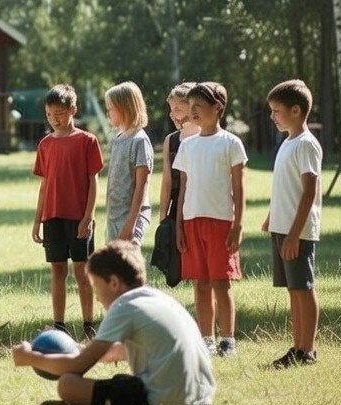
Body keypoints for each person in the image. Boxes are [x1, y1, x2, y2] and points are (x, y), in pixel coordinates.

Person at [12, 241, 215, 405]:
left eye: (96, 287)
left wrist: (30, 358)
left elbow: (78, 366)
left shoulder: (125, 305)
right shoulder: (159, 299)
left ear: (114, 283)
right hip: (201, 404)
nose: (97, 297)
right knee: (121, 381)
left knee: (68, 385)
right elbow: (114, 352)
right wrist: (76, 347)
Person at [173, 82, 247, 356]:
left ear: (218, 108)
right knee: (200, 283)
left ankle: (228, 339)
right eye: (189, 107)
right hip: (192, 222)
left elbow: (239, 188)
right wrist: (179, 225)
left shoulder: (231, 143)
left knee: (220, 281)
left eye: (198, 107)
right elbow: (182, 188)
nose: (192, 112)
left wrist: (237, 224)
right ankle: (207, 339)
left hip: (221, 223)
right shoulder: (187, 146)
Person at [32, 84, 104, 340]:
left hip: (79, 217)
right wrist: (37, 220)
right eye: (50, 115)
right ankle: (59, 324)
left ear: (73, 110)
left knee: (82, 272)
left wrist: (89, 216)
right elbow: (44, 185)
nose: (55, 119)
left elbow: (93, 180)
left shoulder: (87, 141)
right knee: (57, 271)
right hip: (53, 217)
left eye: (60, 114)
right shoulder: (45, 144)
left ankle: (88, 324)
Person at [262, 80, 322, 368]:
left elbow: (309, 192)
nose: (272, 116)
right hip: (283, 229)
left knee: (303, 288)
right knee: (293, 290)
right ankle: (296, 347)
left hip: (297, 232)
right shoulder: (288, 141)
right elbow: (285, 187)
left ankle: (307, 350)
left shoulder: (307, 144)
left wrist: (294, 235)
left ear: (296, 110)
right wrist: (272, 216)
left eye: (276, 111)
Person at [151, 82, 199, 287]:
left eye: (178, 109)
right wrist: (163, 216)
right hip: (176, 209)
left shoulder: (204, 137)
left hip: (198, 205)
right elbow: (167, 182)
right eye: (171, 109)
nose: (172, 114)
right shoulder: (171, 140)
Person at [103, 81, 153, 245]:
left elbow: (141, 186)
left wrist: (130, 225)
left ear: (124, 107)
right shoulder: (117, 139)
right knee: (112, 266)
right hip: (114, 215)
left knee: (128, 264)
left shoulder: (139, 141)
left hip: (131, 216)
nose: (107, 112)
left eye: (110, 108)